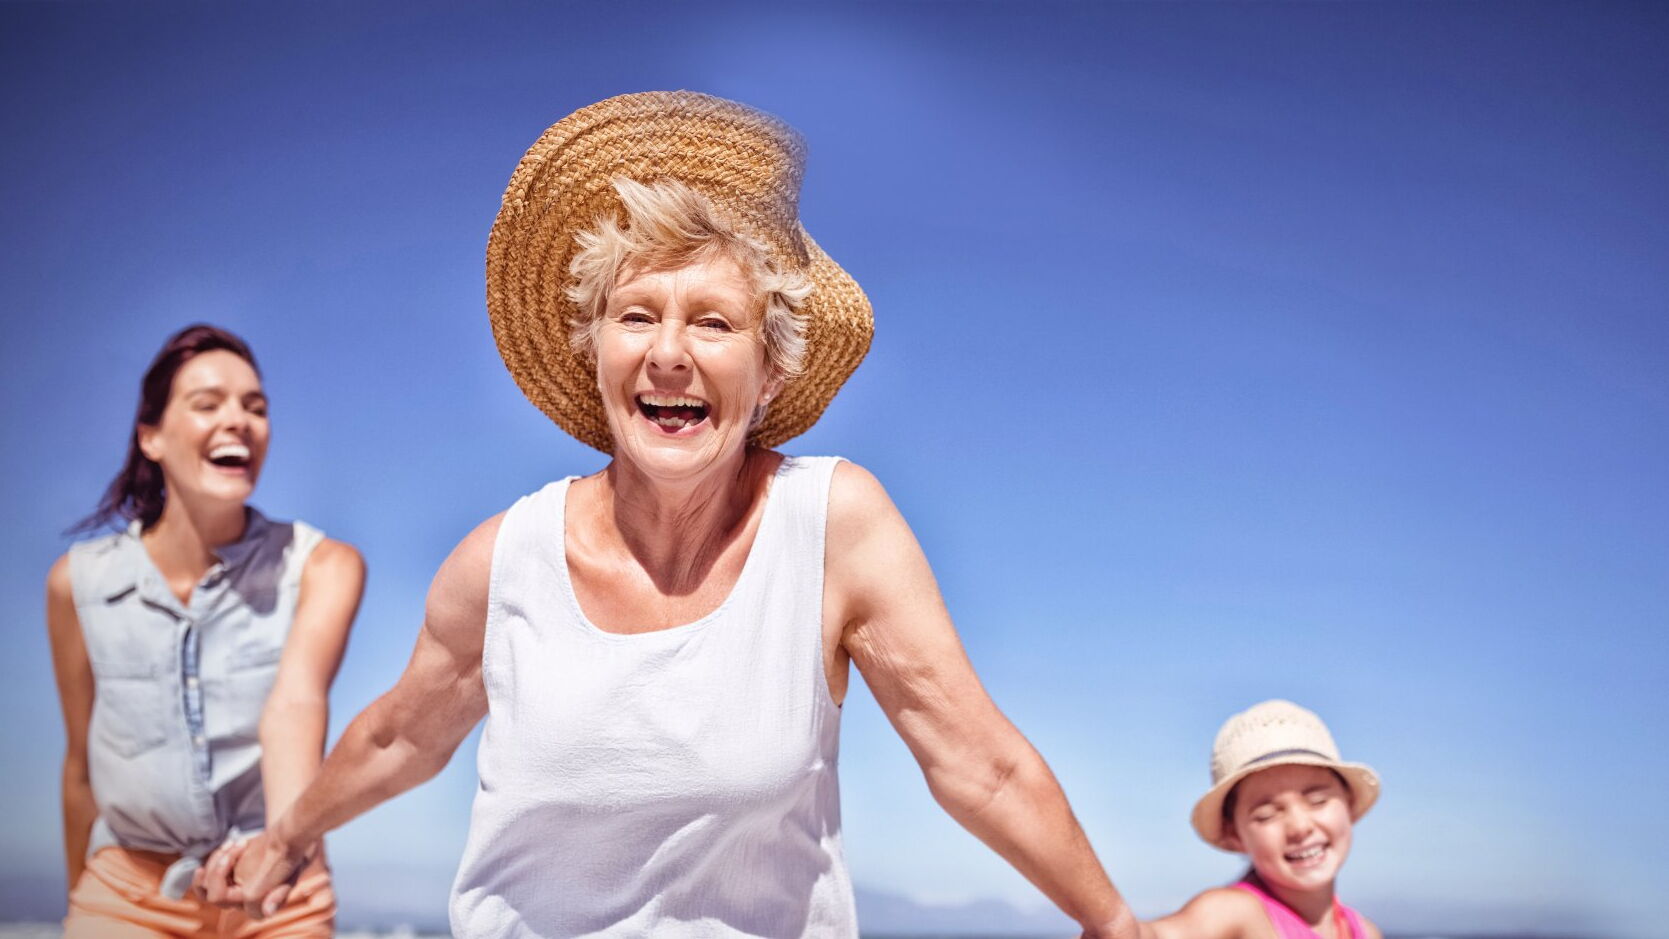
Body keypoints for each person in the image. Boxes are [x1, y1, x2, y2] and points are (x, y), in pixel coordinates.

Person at [200, 91, 1144, 938]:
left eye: (714, 322)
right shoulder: (504, 560)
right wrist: (285, 838)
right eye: (637, 315)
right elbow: (399, 735)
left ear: (769, 372)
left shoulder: (832, 529)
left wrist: (1114, 923)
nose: (669, 353)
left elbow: (979, 764)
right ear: (595, 350)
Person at [46, 324, 365, 937]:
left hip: (279, 886)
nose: (239, 420)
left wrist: (279, 852)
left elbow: (296, 708)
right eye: (208, 403)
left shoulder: (323, 567)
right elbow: (80, 767)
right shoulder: (76, 584)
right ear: (152, 437)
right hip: (126, 890)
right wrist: (79, 903)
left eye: (256, 407)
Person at [1141, 700, 1383, 939]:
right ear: (1234, 833)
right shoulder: (1232, 913)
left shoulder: (1364, 931)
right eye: (1266, 815)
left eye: (1318, 801)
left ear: (1348, 803)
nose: (1300, 827)